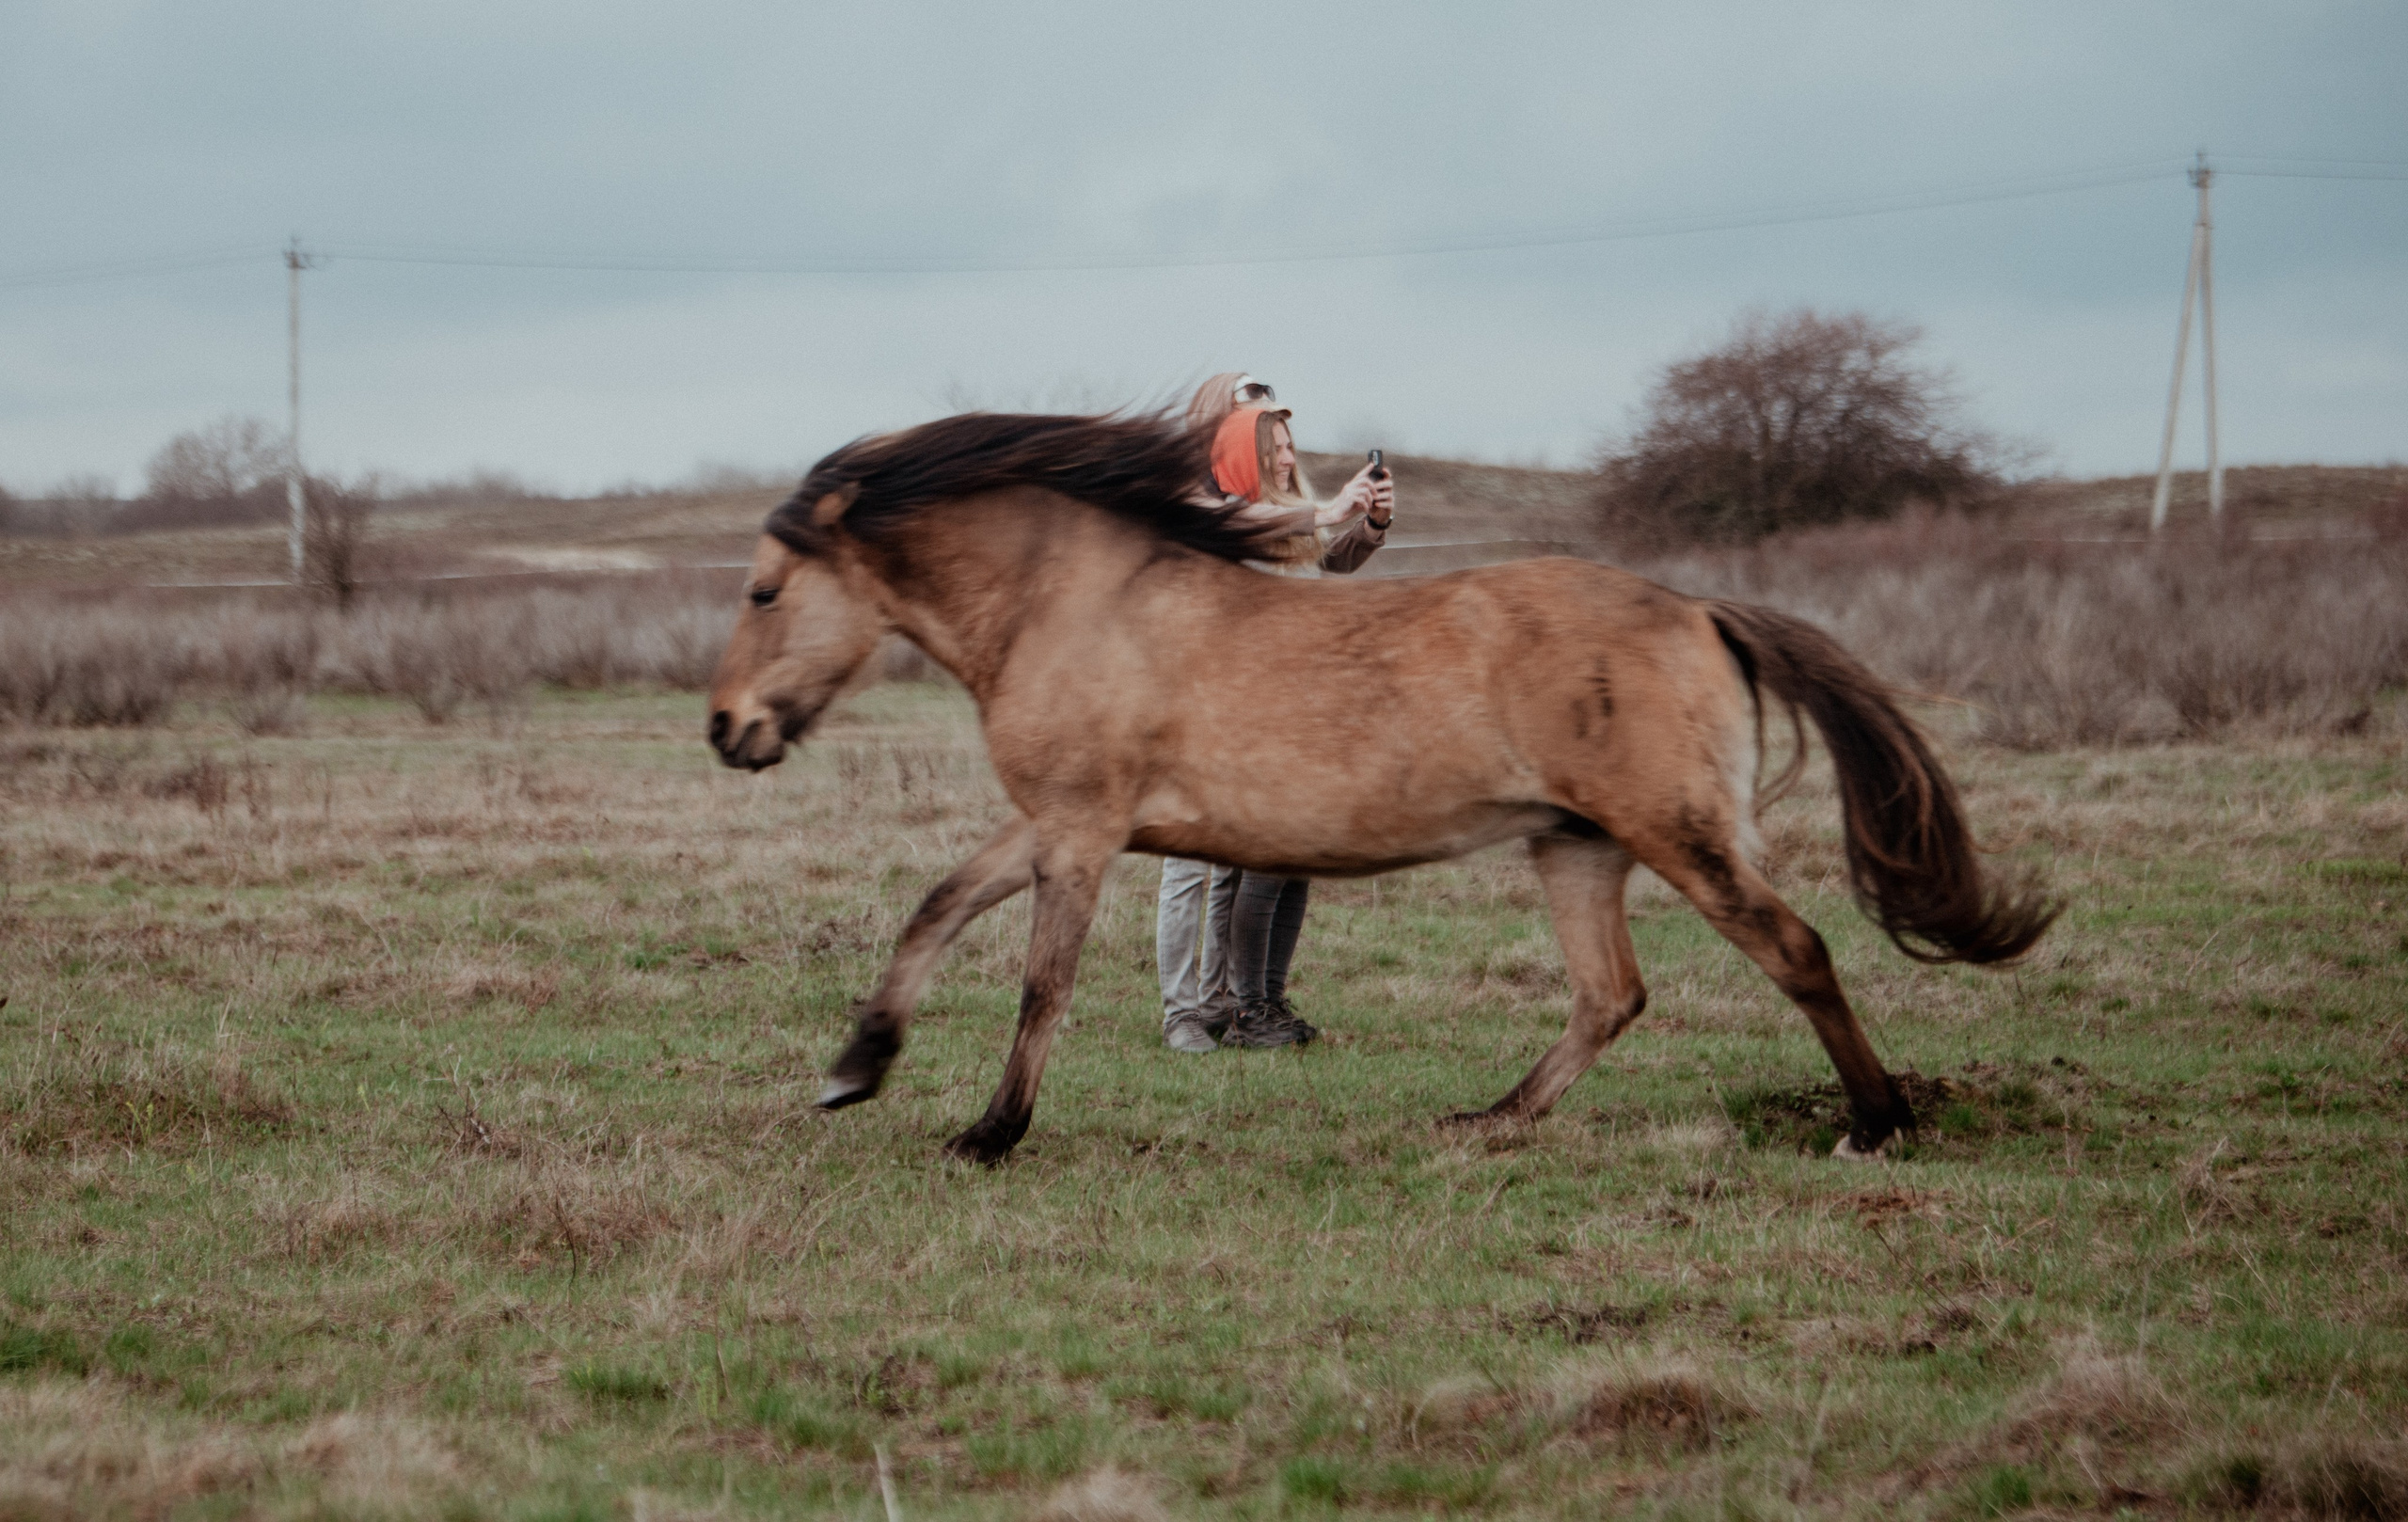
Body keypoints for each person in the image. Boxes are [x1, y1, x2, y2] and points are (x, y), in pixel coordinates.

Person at [1156, 374, 1397, 1052]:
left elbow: (1325, 563)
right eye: (1275, 441)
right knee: (1187, 868)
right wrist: (1327, 510)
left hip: (1275, 718)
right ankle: (1183, 1013)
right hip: (1202, 714)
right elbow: (1244, 525)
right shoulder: (1214, 512)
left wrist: (1369, 521)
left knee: (1243, 867)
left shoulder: (1287, 509)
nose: (1289, 453)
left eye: (1291, 440)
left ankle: (1228, 1004)